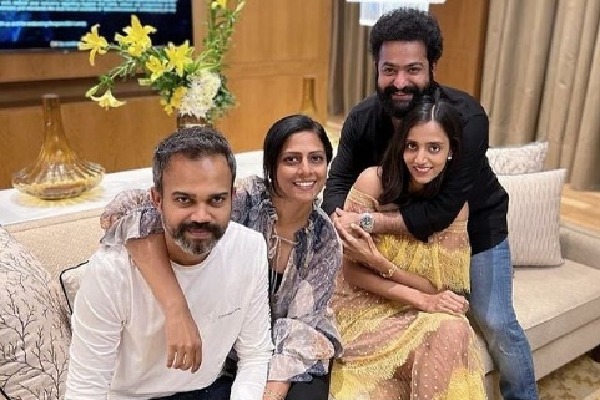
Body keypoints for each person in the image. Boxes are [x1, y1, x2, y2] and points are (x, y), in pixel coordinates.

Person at [322, 8, 538, 400]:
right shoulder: (363, 118)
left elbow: (440, 212)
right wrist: (341, 218)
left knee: (495, 321)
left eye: (413, 69)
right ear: (376, 68)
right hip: (403, 240)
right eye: (389, 69)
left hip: (472, 227)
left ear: (433, 67)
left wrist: (366, 222)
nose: (400, 82)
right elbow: (337, 181)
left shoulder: (466, 118)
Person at [99, 115, 343, 400]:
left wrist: (276, 387)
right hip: (225, 343)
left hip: (292, 347)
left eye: (316, 159)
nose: (306, 170)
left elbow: (301, 325)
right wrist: (175, 306)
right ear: (272, 165)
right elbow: (126, 214)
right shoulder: (241, 200)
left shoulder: (325, 237)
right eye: (291, 160)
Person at [65, 127, 273, 399]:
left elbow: (255, 354)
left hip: (211, 390)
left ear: (232, 199)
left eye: (216, 200)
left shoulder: (250, 248)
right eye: (184, 200)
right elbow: (86, 389)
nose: (201, 216)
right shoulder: (112, 270)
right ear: (157, 200)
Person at [329, 97, 485, 399]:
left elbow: (440, 289)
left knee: (453, 329)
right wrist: (424, 299)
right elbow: (351, 272)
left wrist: (380, 262)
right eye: (412, 146)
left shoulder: (454, 208)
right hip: (361, 308)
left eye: (434, 148)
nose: (420, 158)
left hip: (415, 309)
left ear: (451, 151)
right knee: (448, 336)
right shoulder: (372, 182)